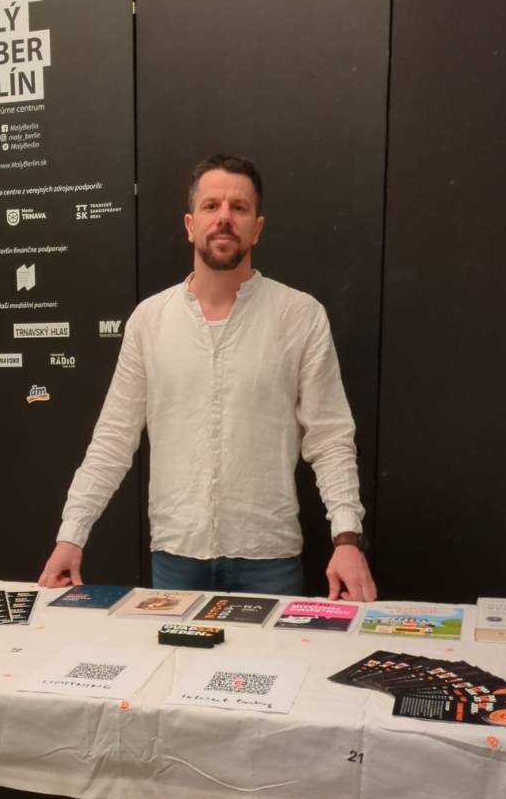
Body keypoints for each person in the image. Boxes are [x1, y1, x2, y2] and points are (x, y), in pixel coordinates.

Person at [37, 154, 377, 601]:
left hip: (268, 558)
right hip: (176, 558)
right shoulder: (149, 321)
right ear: (190, 224)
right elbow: (114, 438)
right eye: (211, 206)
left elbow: (330, 437)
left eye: (239, 207)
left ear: (257, 228)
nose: (224, 218)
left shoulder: (299, 316)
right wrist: (71, 534)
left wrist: (347, 538)